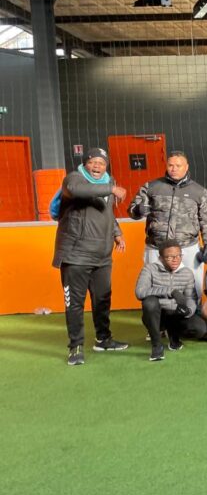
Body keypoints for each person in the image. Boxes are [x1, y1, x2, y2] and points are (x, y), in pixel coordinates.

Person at [53, 147, 129, 365]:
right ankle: (75, 346)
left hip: (102, 256)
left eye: (102, 163)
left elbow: (107, 213)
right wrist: (111, 188)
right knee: (75, 304)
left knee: (102, 299)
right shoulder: (73, 179)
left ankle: (103, 339)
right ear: (85, 164)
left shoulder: (108, 182)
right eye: (93, 162)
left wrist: (117, 233)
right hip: (75, 255)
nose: (97, 166)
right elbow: (78, 191)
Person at [128, 151, 207, 301]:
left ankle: (193, 314)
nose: (173, 169)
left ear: (186, 167)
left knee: (193, 290)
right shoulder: (151, 187)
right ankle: (159, 316)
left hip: (188, 248)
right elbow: (132, 211)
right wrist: (137, 210)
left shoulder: (200, 192)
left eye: (178, 165)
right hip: (156, 248)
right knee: (154, 289)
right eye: (170, 165)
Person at [136, 240, 207, 362]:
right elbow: (140, 292)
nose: (175, 260)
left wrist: (188, 310)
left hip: (176, 314)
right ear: (160, 258)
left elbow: (191, 298)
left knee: (200, 328)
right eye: (169, 257)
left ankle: (174, 335)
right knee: (149, 302)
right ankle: (157, 345)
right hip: (158, 315)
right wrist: (171, 291)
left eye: (178, 256)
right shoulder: (150, 269)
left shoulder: (187, 273)